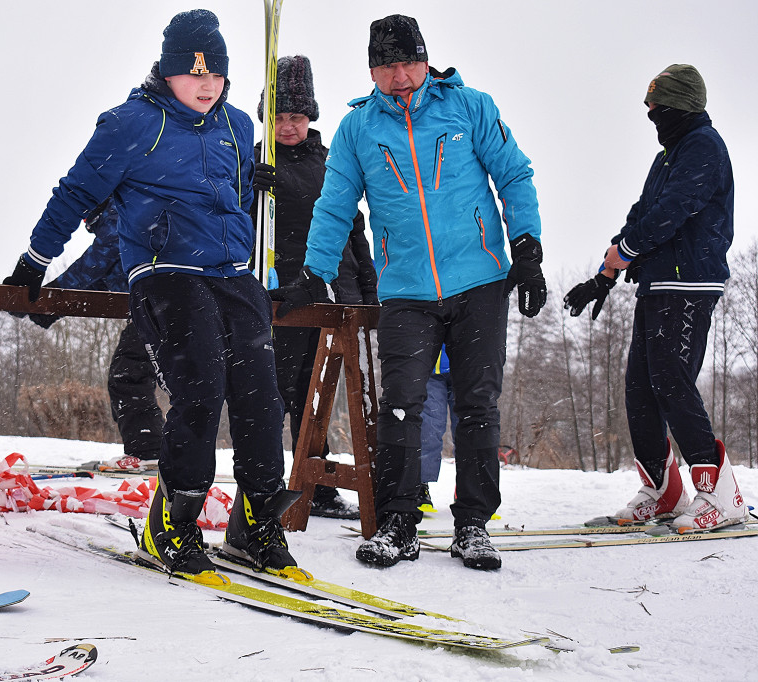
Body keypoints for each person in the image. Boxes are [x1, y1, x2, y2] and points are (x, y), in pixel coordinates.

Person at [3, 9, 301, 582]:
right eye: (193, 74)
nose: (206, 83)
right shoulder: (131, 123)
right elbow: (74, 193)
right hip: (166, 269)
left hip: (232, 270)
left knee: (264, 392)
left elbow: (231, 195)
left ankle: (257, 522)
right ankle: (174, 519)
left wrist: (253, 188)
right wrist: (34, 262)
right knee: (202, 383)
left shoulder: (239, 125)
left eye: (215, 72)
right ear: (166, 73)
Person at [272, 14, 546, 571]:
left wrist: (527, 246)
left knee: (476, 405)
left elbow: (514, 175)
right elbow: (335, 204)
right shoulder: (358, 129)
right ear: (371, 70)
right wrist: (313, 273)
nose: (399, 76)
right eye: (386, 66)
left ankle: (472, 525)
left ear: (425, 59)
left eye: (407, 63)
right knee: (399, 406)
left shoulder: (471, 107)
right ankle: (398, 521)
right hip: (406, 290)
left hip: (480, 281)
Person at [563, 64, 746, 531]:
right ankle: (663, 491)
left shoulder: (704, 147)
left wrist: (627, 249)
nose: (651, 116)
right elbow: (643, 212)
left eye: (657, 108)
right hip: (658, 282)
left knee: (672, 382)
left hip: (690, 282)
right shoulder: (669, 154)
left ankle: (720, 494)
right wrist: (603, 277)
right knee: (639, 390)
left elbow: (673, 211)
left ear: (680, 106)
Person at [252, 55, 379, 520]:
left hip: (335, 292)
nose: (288, 126)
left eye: (297, 117)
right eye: (279, 117)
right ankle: (277, 480)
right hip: (284, 292)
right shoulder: (254, 164)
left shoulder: (332, 163)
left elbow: (354, 228)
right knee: (285, 389)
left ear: (311, 118)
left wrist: (368, 288)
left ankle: (320, 484)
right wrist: (246, 189)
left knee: (325, 391)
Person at [23, 198, 163, 466]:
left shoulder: (118, 211)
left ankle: (150, 450)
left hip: (160, 301)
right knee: (146, 374)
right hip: (159, 302)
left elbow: (96, 263)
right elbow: (100, 280)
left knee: (129, 375)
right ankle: (154, 448)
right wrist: (47, 307)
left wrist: (44, 301)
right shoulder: (120, 214)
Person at [417, 346, 456, 512]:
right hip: (431, 366)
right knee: (429, 427)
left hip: (466, 363)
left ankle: (470, 487)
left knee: (469, 428)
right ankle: (419, 485)